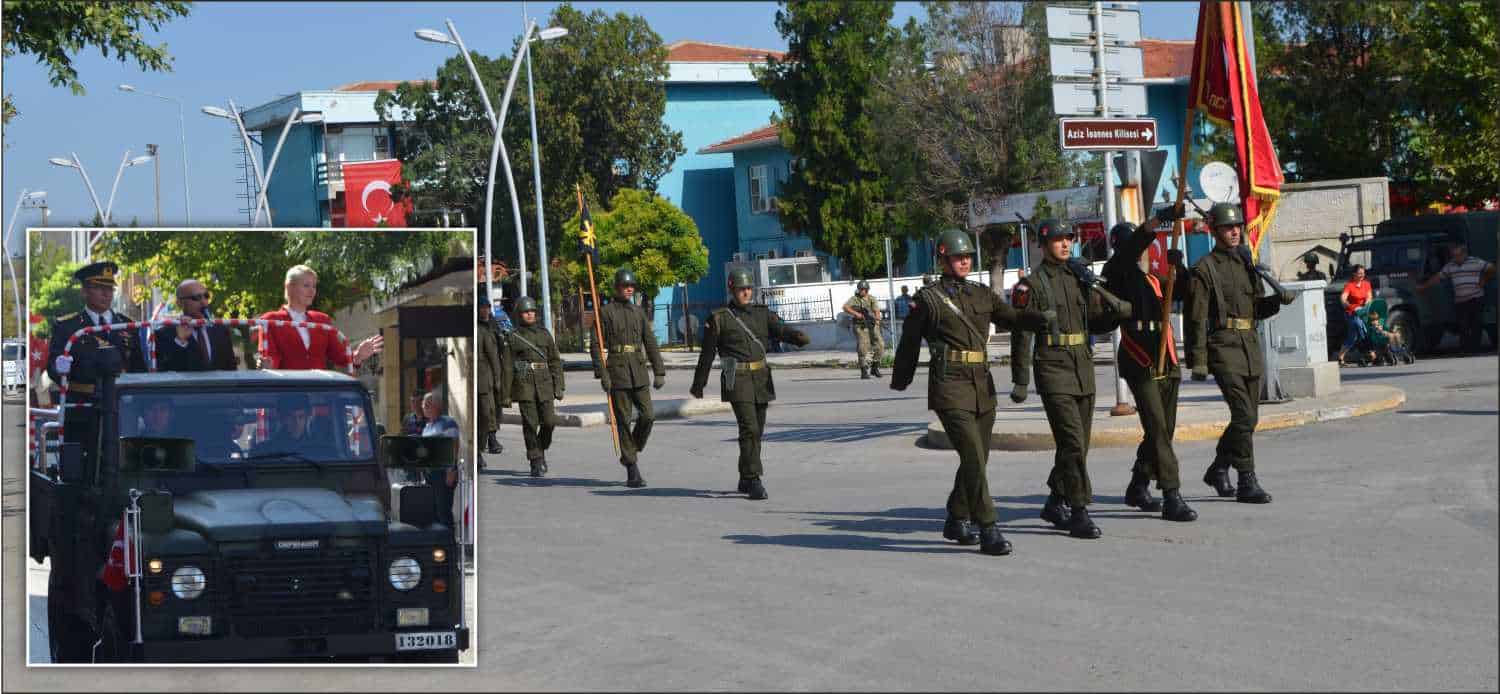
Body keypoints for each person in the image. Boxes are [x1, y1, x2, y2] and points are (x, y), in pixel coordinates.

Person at [892, 229, 1050, 555]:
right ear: (943, 259)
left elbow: (1011, 318)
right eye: (957, 257)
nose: (964, 261)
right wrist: (901, 378)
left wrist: (1039, 319)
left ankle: (956, 517)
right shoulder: (929, 299)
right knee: (974, 457)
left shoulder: (981, 294)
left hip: (982, 384)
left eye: (967, 257)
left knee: (978, 457)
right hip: (949, 385)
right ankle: (988, 526)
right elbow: (909, 342)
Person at [1010, 219, 1133, 540]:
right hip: (1052, 369)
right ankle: (1079, 510)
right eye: (1058, 240)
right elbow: (1022, 334)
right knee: (1073, 444)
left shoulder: (1080, 278)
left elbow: (1094, 321)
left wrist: (1114, 313)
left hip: (1082, 368)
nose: (1065, 244)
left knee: (1079, 445)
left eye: (1069, 239)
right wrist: (1020, 381)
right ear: (1043, 244)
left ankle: (1055, 500)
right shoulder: (1032, 285)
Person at [1187, 202, 1296, 504]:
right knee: (1243, 415)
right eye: (1227, 227)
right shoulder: (1203, 269)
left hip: (1249, 345)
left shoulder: (1247, 264)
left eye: (1237, 227)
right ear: (1215, 231)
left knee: (1251, 418)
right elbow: (1196, 318)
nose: (1235, 232)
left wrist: (1277, 301)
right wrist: (1198, 361)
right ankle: (1247, 480)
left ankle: (1219, 467)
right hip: (1223, 346)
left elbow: (1256, 308)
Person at [1101, 212, 1199, 523]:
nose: (1142, 250)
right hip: (1139, 357)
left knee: (1164, 429)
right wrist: (1155, 223)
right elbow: (1130, 250)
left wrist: (1177, 266)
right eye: (1136, 244)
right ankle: (1171, 493)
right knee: (1157, 428)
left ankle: (1138, 484)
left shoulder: (1152, 279)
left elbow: (1183, 292)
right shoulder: (1116, 271)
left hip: (1165, 356)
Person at [690, 267, 810, 500]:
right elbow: (707, 354)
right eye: (741, 289)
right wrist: (699, 383)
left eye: (748, 289)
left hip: (761, 376)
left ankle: (745, 476)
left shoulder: (762, 313)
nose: (745, 293)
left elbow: (780, 330)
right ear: (731, 289)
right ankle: (754, 479)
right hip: (734, 375)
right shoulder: (719, 318)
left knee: (758, 430)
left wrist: (796, 337)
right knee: (749, 428)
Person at [48, 261, 147, 475]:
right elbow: (53, 367)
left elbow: (140, 369)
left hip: (122, 409)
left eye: (110, 288)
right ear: (84, 291)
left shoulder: (126, 325)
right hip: (84, 408)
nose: (106, 294)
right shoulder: (69, 326)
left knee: (124, 466)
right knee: (84, 470)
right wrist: (59, 366)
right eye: (99, 288)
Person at [591, 268, 667, 488]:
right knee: (623, 421)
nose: (629, 289)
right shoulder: (604, 313)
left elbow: (650, 341)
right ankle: (632, 469)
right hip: (617, 371)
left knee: (648, 416)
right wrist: (602, 373)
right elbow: (596, 346)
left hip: (639, 370)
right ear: (617, 288)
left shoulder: (639, 312)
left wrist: (659, 370)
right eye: (625, 286)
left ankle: (630, 451)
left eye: (632, 286)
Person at [258, 265, 382, 370]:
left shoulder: (322, 320)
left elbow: (340, 357)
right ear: (290, 287)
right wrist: (267, 364)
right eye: (306, 285)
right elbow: (270, 359)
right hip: (288, 392)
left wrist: (358, 356)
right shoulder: (270, 320)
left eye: (314, 286)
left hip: (318, 392)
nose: (312, 291)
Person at [498, 296, 563, 477]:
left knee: (549, 422)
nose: (530, 314)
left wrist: (559, 385)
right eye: (526, 312)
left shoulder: (544, 334)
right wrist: (506, 394)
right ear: (520, 314)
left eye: (532, 311)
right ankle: (535, 460)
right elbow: (508, 367)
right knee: (530, 423)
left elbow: (555, 361)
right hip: (524, 383)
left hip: (544, 383)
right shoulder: (513, 337)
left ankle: (540, 449)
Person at [1418, 241, 1496, 354]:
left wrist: (1484, 279)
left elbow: (1492, 268)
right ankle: (1465, 349)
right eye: (1453, 256)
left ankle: (1475, 349)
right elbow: (1438, 277)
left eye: (1457, 255)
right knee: (1463, 326)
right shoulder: (1451, 266)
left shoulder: (1475, 262)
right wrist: (1423, 287)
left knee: (1476, 325)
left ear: (1464, 254)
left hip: (1476, 298)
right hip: (1460, 301)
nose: (1455, 258)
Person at [155, 278, 238, 372]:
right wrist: (180, 341)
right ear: (180, 303)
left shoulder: (220, 330)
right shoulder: (164, 333)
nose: (203, 302)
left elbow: (231, 369)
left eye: (206, 296)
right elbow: (165, 370)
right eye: (196, 298)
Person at [419, 390, 461, 526]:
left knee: (443, 510)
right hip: (430, 473)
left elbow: (453, 446)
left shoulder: (447, 422)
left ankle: (448, 542)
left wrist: (451, 470)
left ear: (436, 406)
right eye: (423, 405)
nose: (423, 408)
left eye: (426, 405)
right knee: (433, 510)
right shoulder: (426, 427)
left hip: (443, 473)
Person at [477, 286, 505, 464]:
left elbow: (498, 351)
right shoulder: (477, 328)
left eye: (487, 307)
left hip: (493, 373)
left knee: (494, 410)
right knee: (485, 412)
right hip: (481, 376)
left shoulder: (494, 324)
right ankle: (482, 447)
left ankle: (491, 438)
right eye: (482, 307)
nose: (485, 310)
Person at [843, 280, 885, 379]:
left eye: (863, 289)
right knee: (863, 347)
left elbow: (877, 311)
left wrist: (877, 320)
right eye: (860, 289)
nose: (861, 291)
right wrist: (856, 314)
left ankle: (875, 367)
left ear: (867, 290)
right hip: (860, 326)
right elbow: (845, 307)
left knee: (880, 345)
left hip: (872, 324)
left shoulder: (871, 299)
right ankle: (863, 370)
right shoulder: (855, 299)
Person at [1337, 264, 1373, 366]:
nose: (1362, 275)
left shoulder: (1366, 284)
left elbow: (1369, 297)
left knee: (1352, 337)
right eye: (1359, 273)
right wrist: (1346, 304)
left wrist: (1366, 304)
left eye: (1363, 273)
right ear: (1354, 274)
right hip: (1352, 313)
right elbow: (1343, 298)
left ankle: (1340, 358)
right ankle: (1369, 353)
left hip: (1364, 312)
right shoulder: (1349, 285)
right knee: (1359, 328)